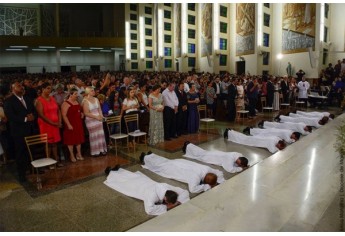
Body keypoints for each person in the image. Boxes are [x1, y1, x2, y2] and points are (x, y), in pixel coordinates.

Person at [104, 166, 190, 216]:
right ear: (166, 199)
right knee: (126, 182)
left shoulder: (168, 189)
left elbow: (184, 192)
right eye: (169, 203)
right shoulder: (152, 195)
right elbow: (149, 209)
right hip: (139, 188)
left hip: (146, 183)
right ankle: (111, 173)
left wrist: (179, 201)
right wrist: (166, 207)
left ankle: (117, 171)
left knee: (131, 178)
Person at [140, 152, 225, 193]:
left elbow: (218, 172)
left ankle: (151, 155)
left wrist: (218, 181)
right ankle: (144, 158)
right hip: (174, 169)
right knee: (159, 166)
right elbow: (193, 189)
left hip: (180, 163)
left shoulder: (207, 169)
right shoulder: (195, 177)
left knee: (164, 161)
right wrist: (206, 186)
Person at [4, 82, 37, 182]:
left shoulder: (27, 98)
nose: (22, 87)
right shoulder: (9, 101)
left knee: (31, 150)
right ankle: (21, 174)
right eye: (19, 86)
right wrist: (25, 119)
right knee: (20, 153)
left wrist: (33, 116)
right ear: (12, 88)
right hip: (19, 131)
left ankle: (33, 169)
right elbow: (11, 116)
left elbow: (34, 110)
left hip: (30, 129)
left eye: (22, 86)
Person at [35, 82, 63, 166]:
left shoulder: (52, 98)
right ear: (42, 89)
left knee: (54, 143)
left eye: (50, 88)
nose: (49, 90)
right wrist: (54, 123)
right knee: (48, 143)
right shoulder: (39, 100)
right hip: (46, 125)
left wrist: (59, 122)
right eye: (47, 88)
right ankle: (49, 163)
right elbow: (41, 115)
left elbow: (58, 110)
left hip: (55, 124)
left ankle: (56, 160)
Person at [182, 141, 248, 173]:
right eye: (239, 164)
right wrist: (241, 169)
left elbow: (242, 158)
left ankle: (189, 146)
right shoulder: (229, 159)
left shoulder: (238, 155)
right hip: (212, 157)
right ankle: (188, 145)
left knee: (201, 152)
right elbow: (230, 169)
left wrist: (242, 165)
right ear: (239, 162)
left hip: (216, 154)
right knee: (199, 155)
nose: (238, 165)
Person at [61, 88, 85, 163]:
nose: (77, 95)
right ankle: (72, 155)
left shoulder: (77, 102)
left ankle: (79, 154)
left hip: (78, 123)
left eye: (77, 93)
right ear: (70, 95)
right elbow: (64, 115)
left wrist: (82, 114)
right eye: (75, 94)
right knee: (71, 141)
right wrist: (68, 124)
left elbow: (79, 110)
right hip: (71, 124)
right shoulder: (66, 103)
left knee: (79, 140)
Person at [82, 86, 107, 157]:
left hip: (98, 118)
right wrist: (96, 117)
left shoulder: (96, 99)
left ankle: (102, 150)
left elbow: (99, 109)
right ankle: (95, 151)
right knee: (94, 136)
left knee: (100, 134)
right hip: (91, 120)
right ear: (88, 92)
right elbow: (86, 113)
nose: (94, 92)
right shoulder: (85, 101)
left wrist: (101, 117)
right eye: (92, 91)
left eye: (93, 90)